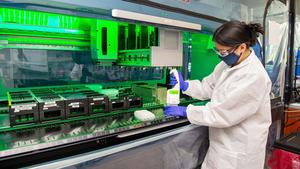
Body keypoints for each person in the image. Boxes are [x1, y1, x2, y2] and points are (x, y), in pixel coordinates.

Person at [164, 21, 272, 169]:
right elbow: (208, 87)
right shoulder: (227, 65)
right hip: (221, 146)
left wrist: (186, 111)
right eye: (217, 50)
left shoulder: (253, 76)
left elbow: (221, 114)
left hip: (239, 151)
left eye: (223, 52)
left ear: (242, 47)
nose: (220, 56)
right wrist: (186, 86)